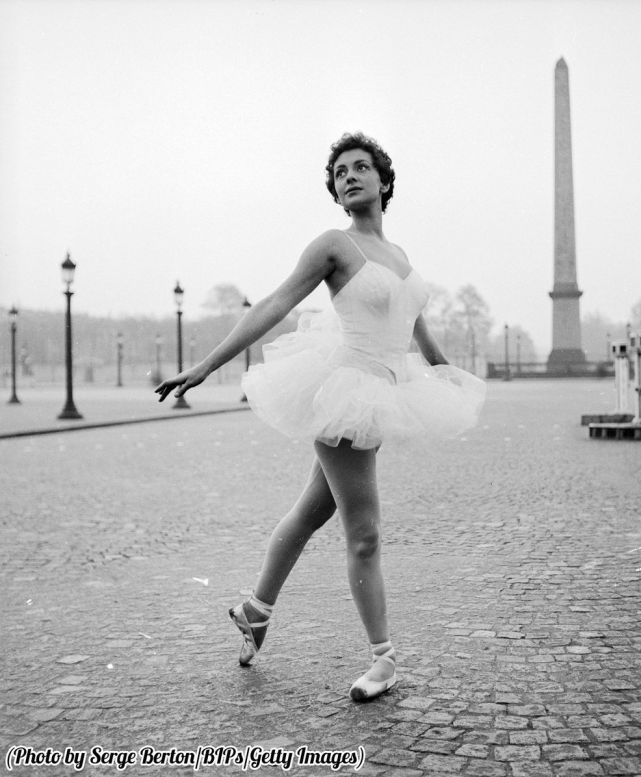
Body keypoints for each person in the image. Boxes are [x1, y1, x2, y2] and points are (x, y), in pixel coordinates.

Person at [155, 132, 486, 702]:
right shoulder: (333, 245)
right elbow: (275, 304)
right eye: (339, 173)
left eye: (361, 168)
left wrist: (450, 378)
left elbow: (415, 331)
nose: (349, 177)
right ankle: (383, 660)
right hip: (345, 394)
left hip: (384, 395)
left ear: (384, 181)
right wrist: (207, 366)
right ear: (334, 192)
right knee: (365, 533)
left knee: (312, 511)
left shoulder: (401, 259)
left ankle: (256, 611)